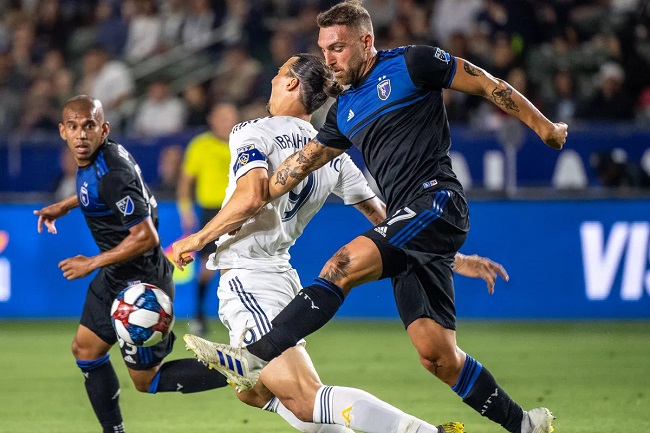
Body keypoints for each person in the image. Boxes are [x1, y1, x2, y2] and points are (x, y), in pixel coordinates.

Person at [180, 2, 568, 433]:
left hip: (436, 200)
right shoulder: (342, 114)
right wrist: (455, 258)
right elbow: (295, 175)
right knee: (437, 356)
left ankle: (255, 355)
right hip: (412, 225)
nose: (330, 59)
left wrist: (544, 126)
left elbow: (484, 82)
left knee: (340, 266)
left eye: (338, 48)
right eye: (324, 50)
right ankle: (525, 425)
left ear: (366, 42)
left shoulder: (412, 62)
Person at [33, 96, 229, 433]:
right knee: (85, 348)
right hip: (116, 276)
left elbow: (146, 236)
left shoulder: (113, 172)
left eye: (89, 126)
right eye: (75, 127)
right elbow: (107, 192)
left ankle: (237, 369)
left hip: (143, 284)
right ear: (62, 131)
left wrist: (91, 262)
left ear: (103, 129)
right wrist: (66, 205)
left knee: (146, 380)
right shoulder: (102, 158)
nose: (81, 135)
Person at [177, 102, 239, 336]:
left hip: (240, 209)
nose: (227, 122)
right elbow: (185, 182)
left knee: (240, 265)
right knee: (206, 269)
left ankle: (243, 315)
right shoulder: (200, 145)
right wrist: (185, 209)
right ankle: (199, 314)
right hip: (211, 211)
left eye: (230, 117)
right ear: (212, 119)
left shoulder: (244, 141)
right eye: (222, 117)